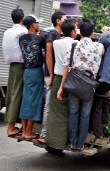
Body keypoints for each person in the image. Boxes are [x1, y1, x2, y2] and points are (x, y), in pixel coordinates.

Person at [58, 18, 105, 150]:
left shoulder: (73, 45)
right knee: (85, 114)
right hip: (89, 85)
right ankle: (80, 144)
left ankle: (73, 142)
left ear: (80, 31)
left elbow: (67, 67)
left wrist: (61, 87)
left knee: (73, 113)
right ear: (92, 32)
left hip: (74, 83)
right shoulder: (99, 47)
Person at [44, 19, 77, 149]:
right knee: (68, 112)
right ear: (73, 31)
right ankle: (64, 142)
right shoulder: (76, 43)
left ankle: (52, 142)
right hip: (72, 79)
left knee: (55, 111)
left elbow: (48, 55)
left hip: (58, 78)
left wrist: (50, 76)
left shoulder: (56, 42)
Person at [38, 11, 66, 143]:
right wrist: (51, 75)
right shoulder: (51, 35)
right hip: (51, 75)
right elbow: (47, 55)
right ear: (58, 21)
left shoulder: (58, 36)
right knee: (48, 104)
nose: (66, 20)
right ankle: (43, 134)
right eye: (64, 19)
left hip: (53, 74)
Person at [19, 15, 46, 140]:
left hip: (26, 71)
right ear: (33, 25)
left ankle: (24, 130)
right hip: (36, 72)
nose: (38, 25)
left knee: (26, 100)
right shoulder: (40, 38)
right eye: (37, 23)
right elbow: (46, 54)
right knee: (34, 101)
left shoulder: (21, 38)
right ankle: (28, 131)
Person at [2, 9, 28, 136]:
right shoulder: (23, 31)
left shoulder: (7, 32)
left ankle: (10, 124)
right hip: (20, 65)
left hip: (11, 65)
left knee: (11, 94)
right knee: (17, 94)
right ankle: (11, 127)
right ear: (22, 19)